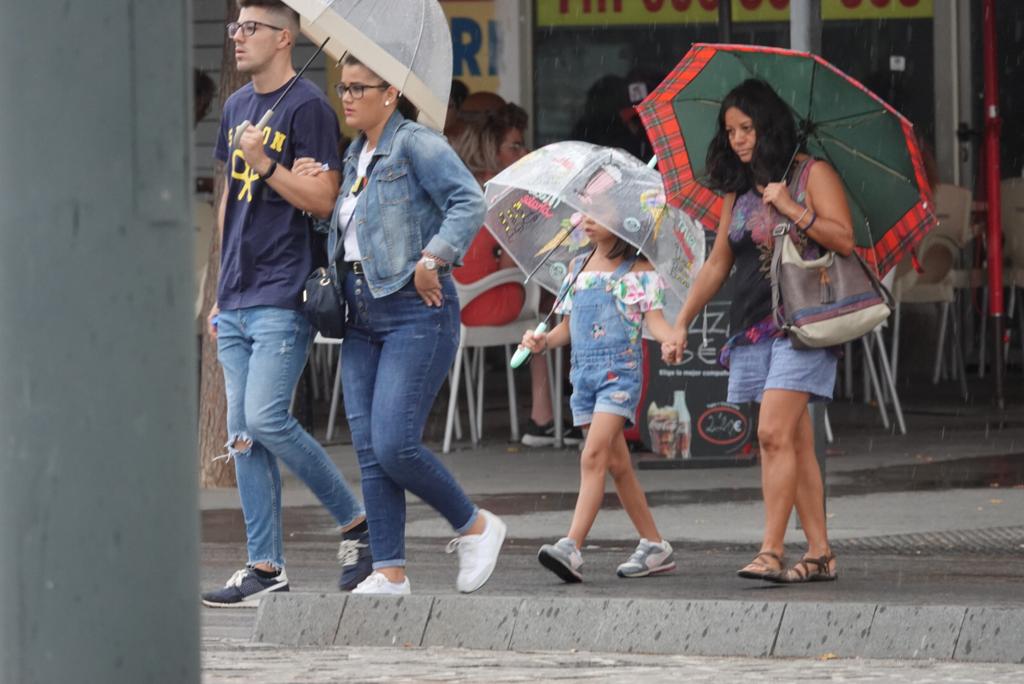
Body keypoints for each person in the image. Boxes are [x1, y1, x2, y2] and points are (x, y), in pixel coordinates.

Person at [293, 55, 506, 595]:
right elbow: (357, 234)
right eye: (342, 86)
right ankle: (389, 570)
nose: (346, 96)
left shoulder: (416, 143)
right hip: (360, 313)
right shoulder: (356, 153)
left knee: (393, 444)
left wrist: (434, 257)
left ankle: (476, 526)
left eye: (358, 88)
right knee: (368, 448)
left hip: (415, 310)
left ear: (390, 93)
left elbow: (468, 200)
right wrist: (319, 200)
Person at [200, 0, 372, 608]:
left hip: (284, 289)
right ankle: (265, 566)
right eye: (234, 27)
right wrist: (218, 288)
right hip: (238, 292)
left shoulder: (309, 108)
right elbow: (228, 200)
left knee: (267, 418)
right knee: (244, 436)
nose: (237, 38)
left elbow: (324, 198)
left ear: (284, 39)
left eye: (250, 29)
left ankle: (357, 521)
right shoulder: (235, 107)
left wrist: (266, 162)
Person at [662, 79, 854, 583]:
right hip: (752, 325)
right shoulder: (739, 190)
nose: (738, 140)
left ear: (767, 127)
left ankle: (771, 551)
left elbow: (844, 238)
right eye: (730, 131)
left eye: (746, 128)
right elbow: (717, 263)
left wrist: (792, 207)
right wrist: (681, 320)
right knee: (791, 439)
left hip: (802, 323)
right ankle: (820, 552)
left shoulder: (812, 172)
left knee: (771, 432)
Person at [519, 213, 677, 582]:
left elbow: (654, 322)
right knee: (617, 465)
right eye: (583, 212)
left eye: (600, 214)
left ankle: (571, 546)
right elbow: (566, 328)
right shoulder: (576, 267)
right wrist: (542, 341)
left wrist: (670, 339)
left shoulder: (640, 271)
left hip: (618, 376)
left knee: (592, 455)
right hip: (583, 378)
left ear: (627, 222)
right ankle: (655, 545)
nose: (586, 220)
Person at [450, 96, 583, 447]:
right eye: (515, 145)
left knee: (547, 298)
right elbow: (517, 261)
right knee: (552, 306)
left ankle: (549, 412)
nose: (524, 153)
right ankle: (546, 416)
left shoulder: (462, 185)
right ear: (492, 148)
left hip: (453, 301)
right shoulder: (507, 193)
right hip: (486, 298)